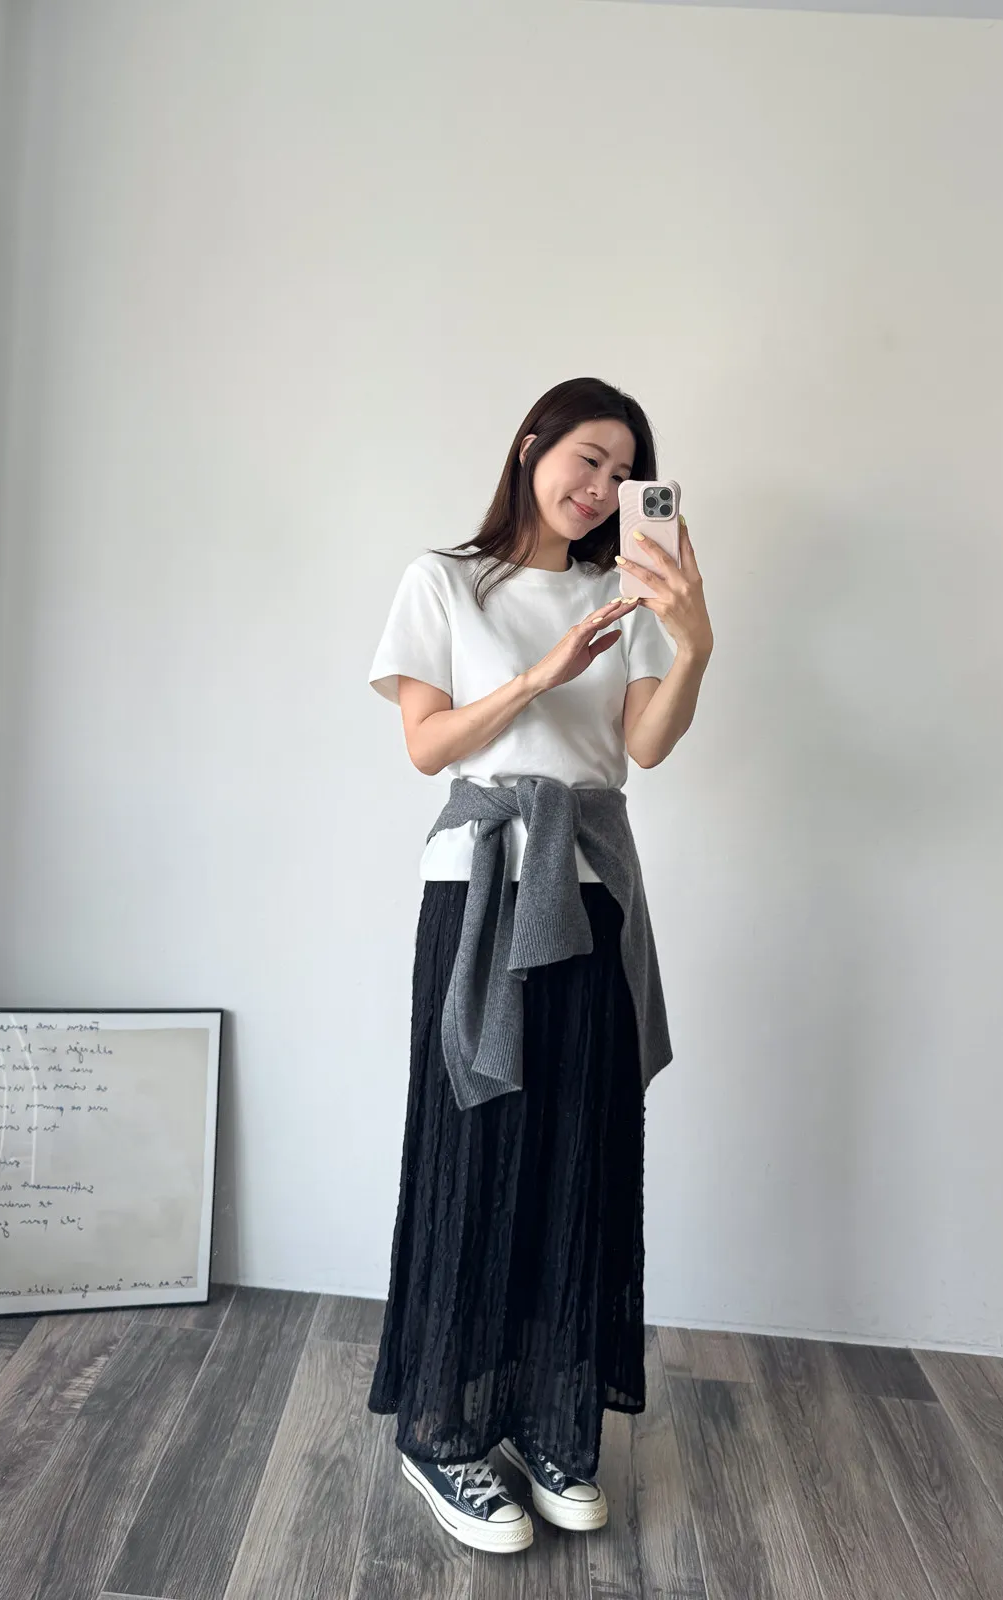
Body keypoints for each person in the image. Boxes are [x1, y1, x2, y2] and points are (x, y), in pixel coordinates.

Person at [365, 376, 714, 1555]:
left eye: (623, 472)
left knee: (575, 1145)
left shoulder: (625, 593)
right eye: (587, 458)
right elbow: (426, 747)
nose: (602, 488)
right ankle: (441, 1430)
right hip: (478, 888)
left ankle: (550, 1418)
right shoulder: (444, 581)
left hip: (591, 885)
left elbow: (642, 745)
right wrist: (536, 675)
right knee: (473, 1147)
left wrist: (693, 641)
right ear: (530, 447)